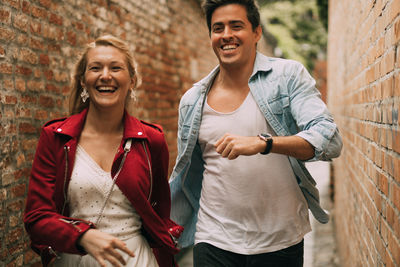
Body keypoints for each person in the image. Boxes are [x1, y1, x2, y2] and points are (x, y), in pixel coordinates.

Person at [169, 0, 342, 266]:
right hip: (214, 238)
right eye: (218, 28)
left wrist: (265, 144)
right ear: (211, 36)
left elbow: (328, 138)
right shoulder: (193, 100)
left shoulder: (288, 76)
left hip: (280, 240)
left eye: (236, 26)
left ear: (256, 32)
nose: (226, 35)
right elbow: (187, 172)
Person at [24, 35, 183, 267]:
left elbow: (159, 214)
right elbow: (36, 217)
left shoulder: (152, 140)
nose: (105, 75)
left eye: (116, 68)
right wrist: (82, 236)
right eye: (95, 68)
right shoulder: (55, 138)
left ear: (132, 80)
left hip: (135, 259)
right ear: (83, 80)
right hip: (75, 259)